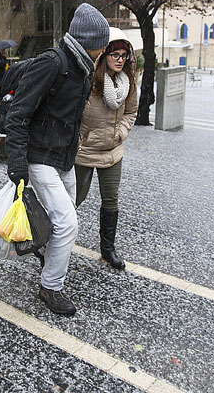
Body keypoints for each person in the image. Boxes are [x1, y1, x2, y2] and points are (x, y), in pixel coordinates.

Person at [5, 3, 110, 316]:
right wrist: (17, 164)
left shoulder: (81, 68)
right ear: (91, 43)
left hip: (63, 157)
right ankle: (50, 286)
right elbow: (18, 114)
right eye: (102, 44)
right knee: (67, 222)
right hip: (40, 157)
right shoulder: (54, 64)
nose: (104, 49)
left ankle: (49, 260)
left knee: (62, 218)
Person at [75, 28, 138, 270]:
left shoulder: (128, 83)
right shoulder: (89, 81)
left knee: (110, 200)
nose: (120, 59)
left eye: (124, 55)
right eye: (115, 54)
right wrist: (81, 137)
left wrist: (120, 132)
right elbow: (74, 112)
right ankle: (52, 241)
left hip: (113, 152)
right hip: (85, 150)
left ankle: (107, 249)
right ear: (104, 55)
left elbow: (131, 112)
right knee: (74, 200)